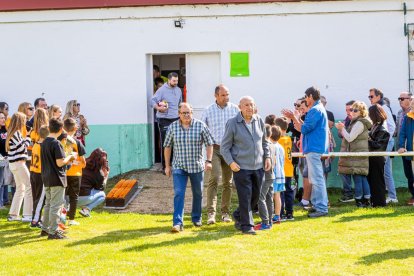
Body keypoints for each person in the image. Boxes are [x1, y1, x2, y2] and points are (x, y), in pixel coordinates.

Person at [221, 96, 271, 235]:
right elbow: (224, 147)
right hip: (241, 167)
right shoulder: (232, 123)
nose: (250, 107)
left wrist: (267, 157)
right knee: (245, 196)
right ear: (240, 107)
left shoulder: (259, 120)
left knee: (255, 198)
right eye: (247, 105)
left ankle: (238, 215)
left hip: (259, 166)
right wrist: (231, 162)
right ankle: (247, 226)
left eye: (252, 105)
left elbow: (264, 142)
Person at [164, 103, 214, 233]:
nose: (186, 115)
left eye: (188, 112)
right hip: (179, 166)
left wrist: (208, 160)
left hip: (196, 166)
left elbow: (209, 144)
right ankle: (177, 223)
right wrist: (167, 166)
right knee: (179, 193)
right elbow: (167, 146)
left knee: (198, 193)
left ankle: (196, 218)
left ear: (192, 113)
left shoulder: (200, 125)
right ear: (179, 114)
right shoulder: (173, 127)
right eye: (183, 113)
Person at [201, 84, 239, 225]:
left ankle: (225, 213)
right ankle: (211, 213)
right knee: (214, 178)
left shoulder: (235, 109)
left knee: (228, 182)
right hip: (215, 149)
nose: (226, 97)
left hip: (229, 150)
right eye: (223, 95)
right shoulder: (208, 110)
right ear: (216, 96)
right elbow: (202, 131)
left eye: (227, 94)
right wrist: (205, 155)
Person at [291, 87, 329, 218]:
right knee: (315, 178)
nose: (305, 99)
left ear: (311, 96)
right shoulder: (318, 109)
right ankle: (318, 205)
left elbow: (305, 129)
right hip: (315, 148)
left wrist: (294, 118)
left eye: (306, 96)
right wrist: (297, 120)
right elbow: (306, 127)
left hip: (314, 148)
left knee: (317, 179)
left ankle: (322, 208)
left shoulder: (314, 110)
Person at [40, 118, 76, 239]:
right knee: (55, 205)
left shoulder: (44, 142)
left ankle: (45, 229)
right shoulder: (56, 143)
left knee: (48, 205)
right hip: (56, 178)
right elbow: (60, 163)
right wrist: (70, 157)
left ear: (49, 128)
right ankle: (53, 232)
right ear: (61, 130)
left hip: (46, 177)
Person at [336, 101, 372, 207]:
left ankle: (360, 200)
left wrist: (342, 128)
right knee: (362, 177)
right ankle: (366, 199)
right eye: (352, 110)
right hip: (359, 153)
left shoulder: (359, 123)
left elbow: (350, 138)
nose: (353, 112)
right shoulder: (359, 122)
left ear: (361, 112)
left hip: (357, 154)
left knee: (358, 177)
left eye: (355, 110)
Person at [368, 88, 397, 204]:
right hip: (383, 141)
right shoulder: (377, 108)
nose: (370, 98)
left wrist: (384, 140)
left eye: (372, 96)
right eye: (369, 97)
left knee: (384, 170)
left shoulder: (383, 107)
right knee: (383, 171)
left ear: (378, 96)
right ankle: (388, 196)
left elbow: (392, 126)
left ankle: (392, 196)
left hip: (385, 142)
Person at [151, 72, 182, 173]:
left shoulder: (178, 90)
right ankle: (165, 167)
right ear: (168, 80)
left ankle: (175, 165)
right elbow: (152, 100)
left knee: (176, 143)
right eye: (174, 81)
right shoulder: (162, 90)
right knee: (166, 143)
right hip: (164, 119)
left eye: (177, 81)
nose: (175, 82)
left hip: (176, 119)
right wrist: (158, 107)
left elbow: (180, 104)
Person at [6, 112, 33, 222]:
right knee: (29, 187)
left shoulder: (11, 133)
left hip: (14, 164)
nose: (25, 122)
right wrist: (28, 136)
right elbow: (23, 147)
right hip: (19, 164)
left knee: (20, 188)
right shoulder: (16, 133)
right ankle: (27, 214)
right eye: (24, 120)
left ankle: (13, 214)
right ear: (20, 121)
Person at [64, 118, 86, 225]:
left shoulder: (61, 141)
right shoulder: (77, 142)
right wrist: (82, 164)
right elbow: (82, 159)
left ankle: (61, 216)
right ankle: (71, 219)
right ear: (75, 128)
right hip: (76, 174)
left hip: (64, 173)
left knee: (62, 196)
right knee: (74, 197)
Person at [368, 104, 390, 207]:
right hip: (373, 158)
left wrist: (367, 139)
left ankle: (380, 203)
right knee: (373, 181)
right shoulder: (375, 126)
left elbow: (378, 145)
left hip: (377, 158)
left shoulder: (382, 129)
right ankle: (374, 202)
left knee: (378, 181)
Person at [254, 124, 275, 230]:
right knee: (269, 198)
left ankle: (265, 222)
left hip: (266, 175)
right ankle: (270, 221)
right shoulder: (272, 144)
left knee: (260, 198)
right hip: (271, 175)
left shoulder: (264, 145)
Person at [78, 148, 110, 217]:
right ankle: (87, 209)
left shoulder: (83, 163)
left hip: (68, 197)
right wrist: (106, 176)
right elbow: (101, 188)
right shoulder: (98, 173)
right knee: (102, 195)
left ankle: (69, 208)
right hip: (82, 198)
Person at [275, 117, 295, 221]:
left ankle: (281, 213)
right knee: (289, 191)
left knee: (280, 192)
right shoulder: (288, 139)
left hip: (281, 170)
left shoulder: (278, 140)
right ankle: (290, 213)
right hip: (289, 169)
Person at [396, 92, 414, 205]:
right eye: (412, 104)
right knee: (410, 175)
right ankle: (413, 195)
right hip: (410, 152)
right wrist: (401, 146)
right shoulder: (408, 117)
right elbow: (402, 133)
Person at [29, 126, 49, 228]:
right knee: (40, 198)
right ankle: (35, 220)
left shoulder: (36, 144)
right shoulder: (44, 147)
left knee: (36, 197)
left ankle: (36, 218)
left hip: (33, 173)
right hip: (40, 174)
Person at [338, 100, 355, 202]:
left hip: (355, 151)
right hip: (346, 150)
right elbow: (341, 135)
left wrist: (343, 130)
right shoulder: (347, 119)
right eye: (346, 110)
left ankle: (360, 196)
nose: (348, 112)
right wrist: (341, 129)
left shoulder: (358, 121)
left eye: (350, 110)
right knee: (343, 172)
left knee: (357, 175)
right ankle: (348, 193)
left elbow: (351, 136)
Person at [271, 125, 285, 224]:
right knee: (277, 196)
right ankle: (277, 215)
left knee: (270, 196)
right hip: (281, 174)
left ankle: (269, 214)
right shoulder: (281, 147)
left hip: (274, 174)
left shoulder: (271, 146)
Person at [0, 111, 7, 209]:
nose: (3, 119)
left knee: (2, 182)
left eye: (3, 117)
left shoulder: (4, 130)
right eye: (1, 118)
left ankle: (1, 203)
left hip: (4, 158)